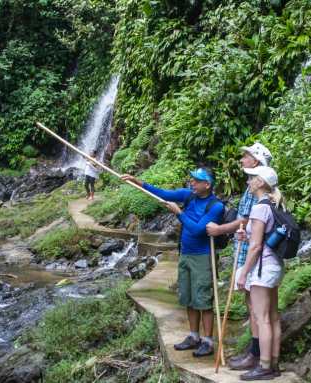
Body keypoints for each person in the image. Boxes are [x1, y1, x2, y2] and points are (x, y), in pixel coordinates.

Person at [121, 168, 224, 357]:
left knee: (203, 299)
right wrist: (137, 181)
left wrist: (179, 213)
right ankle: (194, 336)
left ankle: (208, 341)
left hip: (203, 257)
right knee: (188, 297)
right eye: (191, 179)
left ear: (207, 185)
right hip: (185, 254)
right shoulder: (189, 195)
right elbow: (162, 193)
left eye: (196, 180)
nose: (191, 182)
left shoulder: (215, 206)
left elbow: (198, 230)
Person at [204, 142, 272, 370]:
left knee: (255, 308)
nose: (241, 160)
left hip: (251, 255)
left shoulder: (258, 189)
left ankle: (258, 358)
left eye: (246, 156)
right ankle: (257, 354)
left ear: (256, 161)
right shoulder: (253, 186)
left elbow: (248, 221)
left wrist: (221, 230)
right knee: (252, 306)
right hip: (247, 250)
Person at [236, 165, 284, 380]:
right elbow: (262, 238)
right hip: (274, 264)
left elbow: (255, 248)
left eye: (252, 178)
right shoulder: (275, 203)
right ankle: (273, 363)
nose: (248, 181)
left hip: (263, 268)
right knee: (273, 317)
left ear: (261, 182)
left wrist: (243, 273)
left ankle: (264, 366)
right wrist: (245, 236)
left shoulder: (259, 208)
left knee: (261, 317)